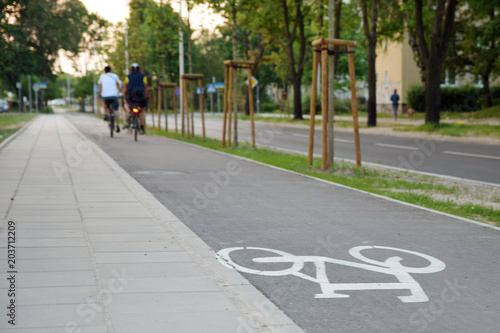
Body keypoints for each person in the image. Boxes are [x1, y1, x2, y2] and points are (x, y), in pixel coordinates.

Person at [123, 63, 149, 134]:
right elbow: (146, 88)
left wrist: (124, 95)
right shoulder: (144, 76)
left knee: (125, 103)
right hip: (141, 95)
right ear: (139, 69)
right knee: (142, 110)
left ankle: (128, 112)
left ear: (131, 69)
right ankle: (142, 128)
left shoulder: (127, 77)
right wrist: (146, 96)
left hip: (130, 95)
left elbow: (125, 88)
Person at [98, 66, 121, 132]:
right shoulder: (115, 76)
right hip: (114, 96)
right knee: (116, 110)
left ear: (105, 71)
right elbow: (118, 86)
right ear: (111, 70)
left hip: (105, 96)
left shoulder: (102, 77)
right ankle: (118, 124)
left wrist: (99, 94)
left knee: (104, 103)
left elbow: (100, 87)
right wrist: (121, 92)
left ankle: (105, 114)